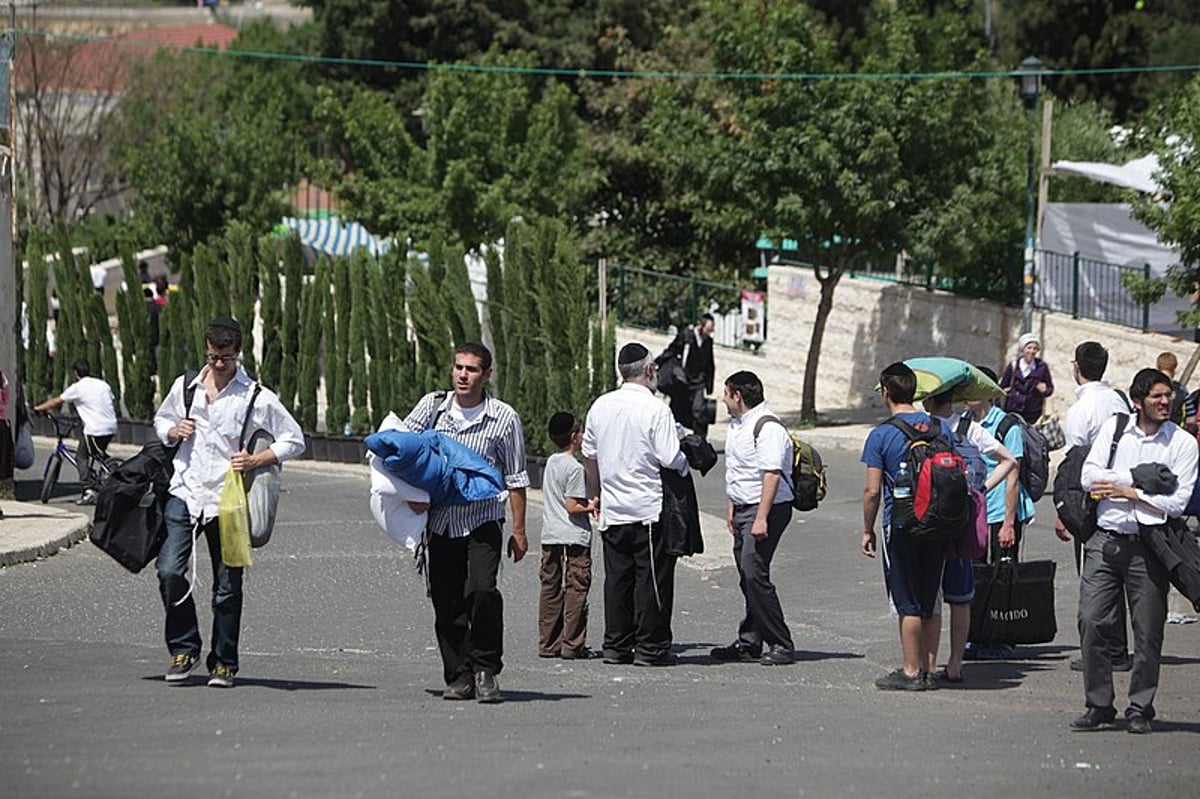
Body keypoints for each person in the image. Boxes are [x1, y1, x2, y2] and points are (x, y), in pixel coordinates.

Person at [153, 316, 305, 688]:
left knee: (227, 586)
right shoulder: (185, 387)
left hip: (228, 499)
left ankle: (224, 661)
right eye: (213, 356)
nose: (219, 364)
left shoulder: (255, 395)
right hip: (184, 492)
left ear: (238, 352)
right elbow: (161, 420)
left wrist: (258, 459)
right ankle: (183, 648)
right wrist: (173, 430)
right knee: (170, 572)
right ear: (206, 349)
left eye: (226, 358)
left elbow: (295, 439)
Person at [1072, 368, 1198, 734]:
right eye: (1157, 397)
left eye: (1168, 396)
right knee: (1092, 620)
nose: (1165, 402)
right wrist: (1143, 478)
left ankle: (1140, 707)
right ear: (1137, 400)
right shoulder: (1114, 430)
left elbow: (1176, 501)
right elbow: (1088, 476)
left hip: (1151, 547)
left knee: (1147, 631)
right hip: (1105, 542)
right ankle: (1098, 704)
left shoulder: (1182, 444)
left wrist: (1129, 491)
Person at [403, 342, 529, 704]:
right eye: (458, 367)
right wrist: (408, 492)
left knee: (482, 591)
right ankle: (458, 675)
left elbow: (517, 477)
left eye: (471, 369)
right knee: (447, 601)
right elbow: (404, 449)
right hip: (441, 521)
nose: (462, 375)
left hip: (484, 519)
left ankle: (486, 669)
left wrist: (519, 532)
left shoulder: (504, 418)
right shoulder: (432, 408)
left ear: (487, 374)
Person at [583, 341, 689, 667]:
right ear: (648, 370)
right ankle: (651, 646)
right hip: (648, 508)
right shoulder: (656, 408)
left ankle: (616, 644)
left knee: (618, 579)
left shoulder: (600, 405)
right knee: (652, 580)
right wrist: (686, 463)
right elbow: (670, 456)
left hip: (614, 507)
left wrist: (595, 492)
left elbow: (589, 455)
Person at [922, 388, 1017, 680]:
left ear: (928, 399)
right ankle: (955, 664)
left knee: (930, 594)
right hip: (961, 519)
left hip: (928, 519)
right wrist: (982, 490)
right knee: (961, 597)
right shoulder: (969, 428)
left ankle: (928, 664)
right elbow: (1009, 460)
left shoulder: (922, 427)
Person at [860, 362, 944, 691]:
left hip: (902, 523)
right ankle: (929, 668)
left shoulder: (881, 434)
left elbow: (871, 491)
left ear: (886, 393)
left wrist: (867, 530)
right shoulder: (939, 427)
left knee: (906, 599)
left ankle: (910, 671)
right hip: (938, 521)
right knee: (930, 596)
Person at [710, 370, 796, 666]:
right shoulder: (738, 425)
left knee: (753, 570)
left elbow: (771, 474)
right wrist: (733, 505)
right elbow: (738, 470)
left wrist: (761, 518)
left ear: (738, 396)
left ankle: (781, 643)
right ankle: (750, 641)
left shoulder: (767, 426)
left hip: (768, 508)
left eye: (726, 393)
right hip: (745, 508)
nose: (722, 398)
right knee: (749, 575)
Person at [1060, 341, 1135, 673]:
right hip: (1121, 490)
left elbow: (1076, 463)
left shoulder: (1081, 410)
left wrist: (1066, 513)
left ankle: (1103, 649)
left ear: (1077, 367)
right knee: (1118, 572)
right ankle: (1118, 647)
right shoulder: (1118, 400)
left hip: (1091, 498)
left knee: (1095, 576)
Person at [538, 412, 596, 660]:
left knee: (550, 588)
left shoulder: (551, 462)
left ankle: (548, 643)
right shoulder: (575, 468)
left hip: (550, 533)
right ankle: (572, 643)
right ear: (574, 437)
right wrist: (592, 506)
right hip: (573, 535)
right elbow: (572, 506)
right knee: (575, 588)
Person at [34, 358, 118, 505]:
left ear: (75, 373)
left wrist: (39, 408)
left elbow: (56, 401)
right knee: (98, 454)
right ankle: (111, 475)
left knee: (81, 457)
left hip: (95, 428)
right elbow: (110, 400)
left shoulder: (78, 387)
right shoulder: (102, 384)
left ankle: (89, 489)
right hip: (110, 426)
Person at [655, 314, 716, 439]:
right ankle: (671, 437)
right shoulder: (686, 335)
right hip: (683, 380)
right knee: (677, 409)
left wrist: (709, 385)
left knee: (699, 410)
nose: (710, 332)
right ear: (701, 326)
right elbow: (672, 350)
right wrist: (658, 362)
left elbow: (710, 363)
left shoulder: (708, 341)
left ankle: (700, 441)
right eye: (708, 329)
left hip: (698, 381)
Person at [999, 333, 1054, 425]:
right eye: (1029, 348)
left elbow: (1050, 389)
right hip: (1012, 412)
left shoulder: (1042, 367)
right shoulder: (1014, 366)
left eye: (1035, 349)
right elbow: (1001, 387)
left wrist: (1044, 390)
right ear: (1023, 349)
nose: (1032, 351)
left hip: (1032, 415)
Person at [1155, 352, 1195, 434]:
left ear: (1157, 367)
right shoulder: (1182, 391)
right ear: (1174, 369)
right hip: (1174, 433)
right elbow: (1191, 420)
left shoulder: (1150, 386)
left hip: (1152, 431)